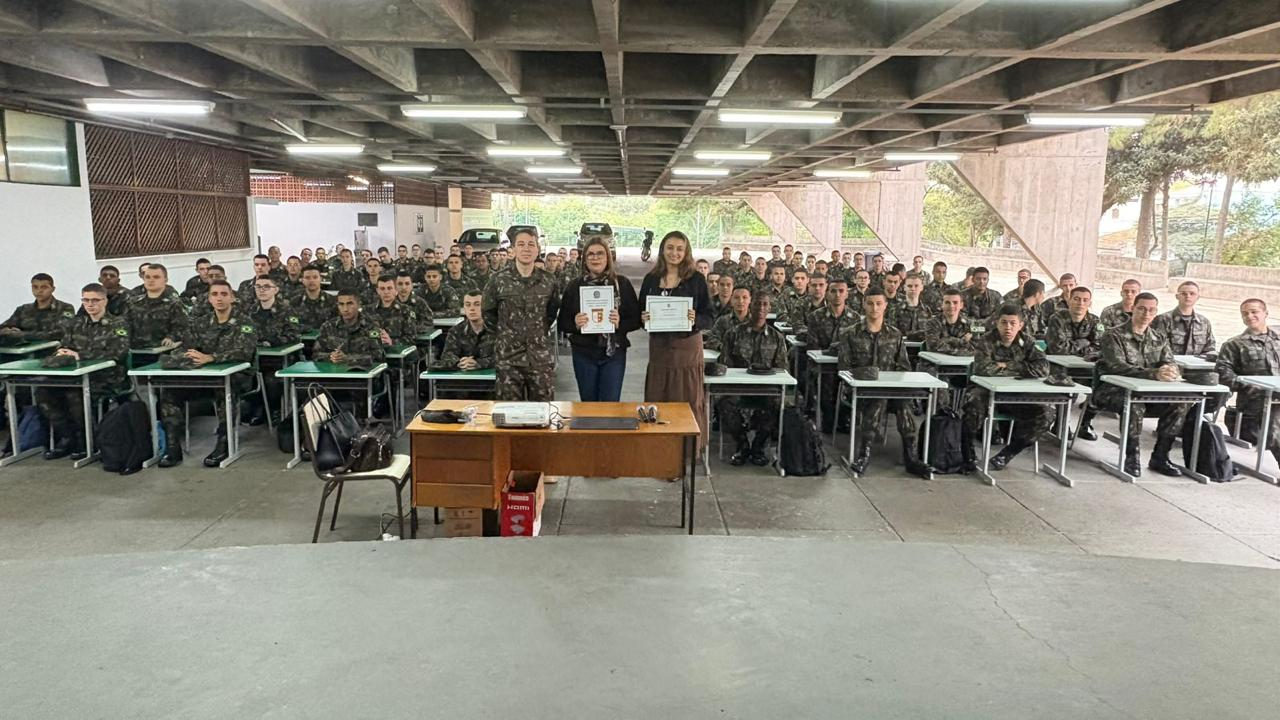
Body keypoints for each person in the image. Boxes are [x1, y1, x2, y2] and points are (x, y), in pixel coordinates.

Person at [156, 281, 257, 468]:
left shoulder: (245, 322)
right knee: (169, 392)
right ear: (209, 299)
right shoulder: (200, 323)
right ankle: (172, 447)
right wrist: (190, 357)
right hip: (204, 377)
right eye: (215, 294)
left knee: (223, 390)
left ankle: (224, 443)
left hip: (238, 377)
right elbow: (185, 348)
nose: (219, 298)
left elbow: (244, 351)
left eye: (224, 294)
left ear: (232, 298)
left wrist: (211, 357)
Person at [834, 290, 930, 478]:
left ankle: (911, 456)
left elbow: (904, 366)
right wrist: (867, 375)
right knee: (878, 399)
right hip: (859, 392)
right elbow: (843, 367)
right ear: (864, 304)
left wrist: (893, 380)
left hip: (892, 392)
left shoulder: (895, 335)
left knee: (904, 404)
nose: (874, 308)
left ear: (886, 305)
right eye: (870, 303)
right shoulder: (850, 333)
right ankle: (864, 453)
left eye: (879, 303)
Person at [1093, 292, 1187, 477]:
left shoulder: (1159, 337)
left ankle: (1160, 456)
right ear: (1133, 308)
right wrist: (1154, 373)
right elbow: (1116, 366)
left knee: (1180, 403)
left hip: (1148, 393)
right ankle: (1131, 456)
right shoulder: (1113, 335)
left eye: (1151, 310)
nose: (1146, 313)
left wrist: (1170, 371)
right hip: (1112, 391)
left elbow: (1169, 361)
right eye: (1142, 308)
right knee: (1134, 406)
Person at [34, 283, 131, 461]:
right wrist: (62, 353)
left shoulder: (118, 322)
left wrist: (80, 354)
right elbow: (65, 346)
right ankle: (67, 437)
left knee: (74, 394)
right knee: (43, 392)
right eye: (86, 300)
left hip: (106, 377)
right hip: (76, 375)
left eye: (95, 300)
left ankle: (86, 441)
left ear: (105, 301)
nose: (90, 304)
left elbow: (118, 353)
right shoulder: (76, 323)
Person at [639, 230, 714, 450]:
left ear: (686, 252)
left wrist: (695, 319)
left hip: (687, 350)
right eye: (670, 248)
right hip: (660, 349)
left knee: (687, 399)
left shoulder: (697, 280)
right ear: (662, 250)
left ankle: (687, 452)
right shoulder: (651, 279)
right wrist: (645, 318)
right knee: (659, 397)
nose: (674, 253)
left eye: (679, 248)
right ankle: (660, 452)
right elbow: (640, 313)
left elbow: (709, 316)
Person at [964, 304, 1052, 471]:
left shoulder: (1027, 341)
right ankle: (967, 452)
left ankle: (1008, 453)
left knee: (1046, 414)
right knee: (973, 403)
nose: (1008, 327)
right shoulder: (986, 341)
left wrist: (1007, 366)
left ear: (1021, 325)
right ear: (997, 323)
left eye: (1013, 323)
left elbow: (1043, 368)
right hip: (986, 392)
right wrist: (1023, 368)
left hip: (1016, 395)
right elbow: (983, 369)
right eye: (1004, 322)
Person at [557, 237, 641, 403]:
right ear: (584, 259)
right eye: (591, 254)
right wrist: (575, 323)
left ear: (608, 257)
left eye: (600, 254)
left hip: (614, 353)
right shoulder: (575, 286)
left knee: (610, 404)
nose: (595, 258)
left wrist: (620, 323)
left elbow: (636, 320)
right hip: (583, 353)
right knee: (588, 404)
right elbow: (562, 322)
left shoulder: (622, 284)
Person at [483, 229, 560, 401]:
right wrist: (506, 335)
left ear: (538, 250)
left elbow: (551, 312)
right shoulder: (498, 280)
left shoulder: (549, 281)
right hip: (508, 358)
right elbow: (488, 314)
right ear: (513, 250)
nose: (526, 249)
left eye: (531, 244)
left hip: (539, 357)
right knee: (509, 416)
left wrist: (537, 332)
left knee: (543, 414)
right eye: (521, 244)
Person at [719, 293, 789, 466]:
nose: (761, 308)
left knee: (777, 404)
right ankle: (742, 444)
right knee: (724, 404)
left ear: (770, 309)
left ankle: (758, 446)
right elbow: (724, 365)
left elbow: (782, 369)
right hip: (738, 388)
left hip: (766, 389)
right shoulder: (733, 333)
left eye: (765, 304)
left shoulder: (777, 337)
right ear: (751, 306)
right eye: (757, 304)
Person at [1216, 299, 1280, 464]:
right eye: (1245, 313)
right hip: (1256, 400)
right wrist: (1249, 385)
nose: (1250, 316)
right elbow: (1223, 374)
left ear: (1265, 313)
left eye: (1254, 312)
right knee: (1275, 422)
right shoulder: (1234, 344)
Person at [1047, 285, 1104, 440]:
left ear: (1090, 303)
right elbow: (1057, 348)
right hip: (1058, 367)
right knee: (1068, 387)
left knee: (1101, 386)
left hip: (1085, 368)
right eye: (1077, 299)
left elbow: (1100, 347)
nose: (1080, 303)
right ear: (1069, 300)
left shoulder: (1095, 321)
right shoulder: (1057, 318)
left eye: (1085, 300)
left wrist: (1076, 346)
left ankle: (1085, 423)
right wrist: (1084, 343)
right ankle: (1061, 423)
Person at [243, 276, 301, 426]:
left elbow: (294, 335)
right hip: (253, 359)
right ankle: (255, 407)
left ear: (275, 290)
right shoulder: (249, 310)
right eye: (258, 286)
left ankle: (273, 410)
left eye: (266, 286)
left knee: (272, 381)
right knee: (244, 379)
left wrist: (273, 341)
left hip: (279, 361)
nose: (262, 290)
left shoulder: (287, 309)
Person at [313, 291, 385, 370]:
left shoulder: (371, 327)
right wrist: (331, 356)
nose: (345, 309)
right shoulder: (328, 326)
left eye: (350, 303)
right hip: (335, 374)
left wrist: (348, 358)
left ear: (358, 305)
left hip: (361, 375)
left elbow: (378, 356)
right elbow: (316, 354)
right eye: (341, 304)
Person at [125, 263, 188, 349]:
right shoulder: (133, 303)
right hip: (134, 350)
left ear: (165, 280)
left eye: (156, 277)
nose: (151, 280)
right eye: (147, 277)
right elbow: (125, 325)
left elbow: (182, 328)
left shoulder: (174, 304)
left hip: (162, 351)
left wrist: (171, 337)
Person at [1, 273, 75, 344]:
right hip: (23, 350)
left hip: (52, 351)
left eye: (44, 287)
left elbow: (61, 333)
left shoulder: (65, 308)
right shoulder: (23, 309)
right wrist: (6, 331)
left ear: (53, 289)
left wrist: (23, 334)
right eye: (35, 287)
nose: (39, 291)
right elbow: (6, 325)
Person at [431, 291, 493, 372]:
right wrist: (461, 362)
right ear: (464, 308)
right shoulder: (455, 331)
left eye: (477, 304)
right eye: (468, 305)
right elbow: (447, 355)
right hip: (462, 378)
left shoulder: (496, 330)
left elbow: (504, 357)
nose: (472, 308)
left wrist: (479, 363)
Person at [367, 274, 417, 346]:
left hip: (399, 352)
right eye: (382, 289)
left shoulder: (406, 310)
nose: (386, 292)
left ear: (395, 290)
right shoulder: (368, 311)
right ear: (377, 290)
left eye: (389, 288)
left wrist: (392, 342)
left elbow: (412, 338)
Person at [705, 287, 751, 352]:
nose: (740, 301)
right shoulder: (723, 321)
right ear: (731, 300)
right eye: (736, 297)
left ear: (750, 300)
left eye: (744, 297)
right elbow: (711, 340)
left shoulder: (756, 322)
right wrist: (724, 348)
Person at [294, 266, 337, 332]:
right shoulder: (295, 302)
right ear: (302, 280)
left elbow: (338, 324)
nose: (311, 280)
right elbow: (292, 324)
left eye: (315, 277)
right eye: (307, 277)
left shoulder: (333, 301)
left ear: (321, 279)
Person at [890, 273, 931, 341]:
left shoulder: (927, 310)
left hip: (922, 349)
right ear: (904, 288)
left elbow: (929, 333)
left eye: (916, 286)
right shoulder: (895, 309)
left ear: (921, 287)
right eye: (909, 286)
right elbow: (892, 334)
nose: (913, 289)